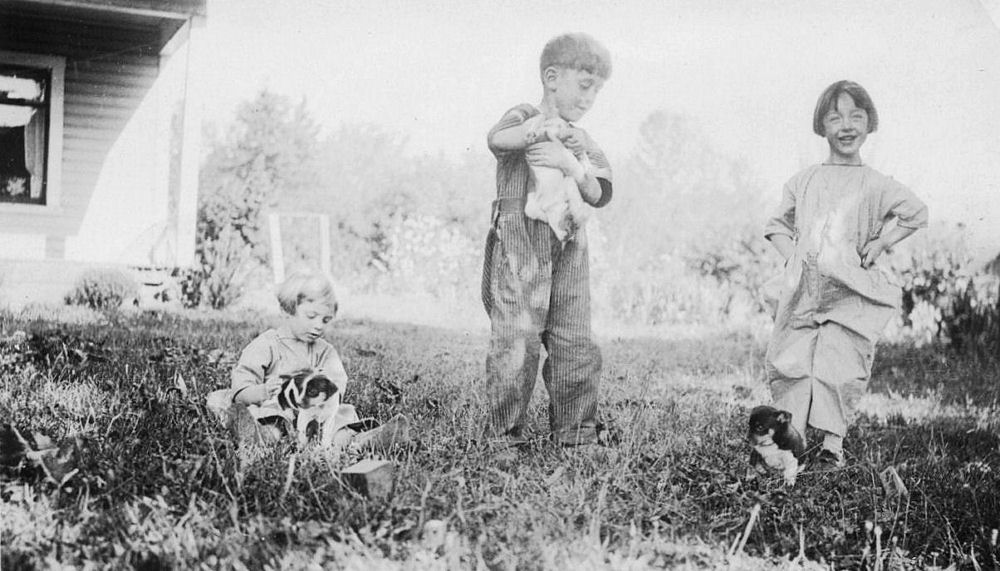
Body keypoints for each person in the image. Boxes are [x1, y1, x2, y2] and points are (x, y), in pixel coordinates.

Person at [763, 80, 928, 468]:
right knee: (791, 361)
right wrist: (792, 258)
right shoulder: (804, 180)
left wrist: (882, 242)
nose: (846, 125)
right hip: (802, 290)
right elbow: (776, 225)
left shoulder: (875, 183)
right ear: (821, 126)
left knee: (842, 363)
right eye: (835, 116)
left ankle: (832, 447)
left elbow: (917, 213)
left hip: (849, 289)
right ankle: (792, 442)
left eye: (856, 115)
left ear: (870, 123)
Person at [481, 33, 614, 451]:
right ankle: (504, 438)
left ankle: (577, 433)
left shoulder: (582, 139)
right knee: (517, 338)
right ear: (552, 77)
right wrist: (539, 134)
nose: (591, 97)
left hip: (570, 240)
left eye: (598, 89)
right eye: (585, 84)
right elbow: (497, 139)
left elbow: (601, 191)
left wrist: (570, 161)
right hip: (522, 237)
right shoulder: (523, 116)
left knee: (575, 338)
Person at [206, 270, 407, 452]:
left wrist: (322, 391)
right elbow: (241, 389)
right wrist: (264, 391)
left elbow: (337, 387)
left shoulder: (325, 351)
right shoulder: (266, 346)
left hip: (316, 417)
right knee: (270, 423)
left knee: (341, 423)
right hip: (277, 410)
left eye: (325, 320)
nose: (319, 326)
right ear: (287, 311)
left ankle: (366, 441)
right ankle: (257, 436)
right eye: (311, 316)